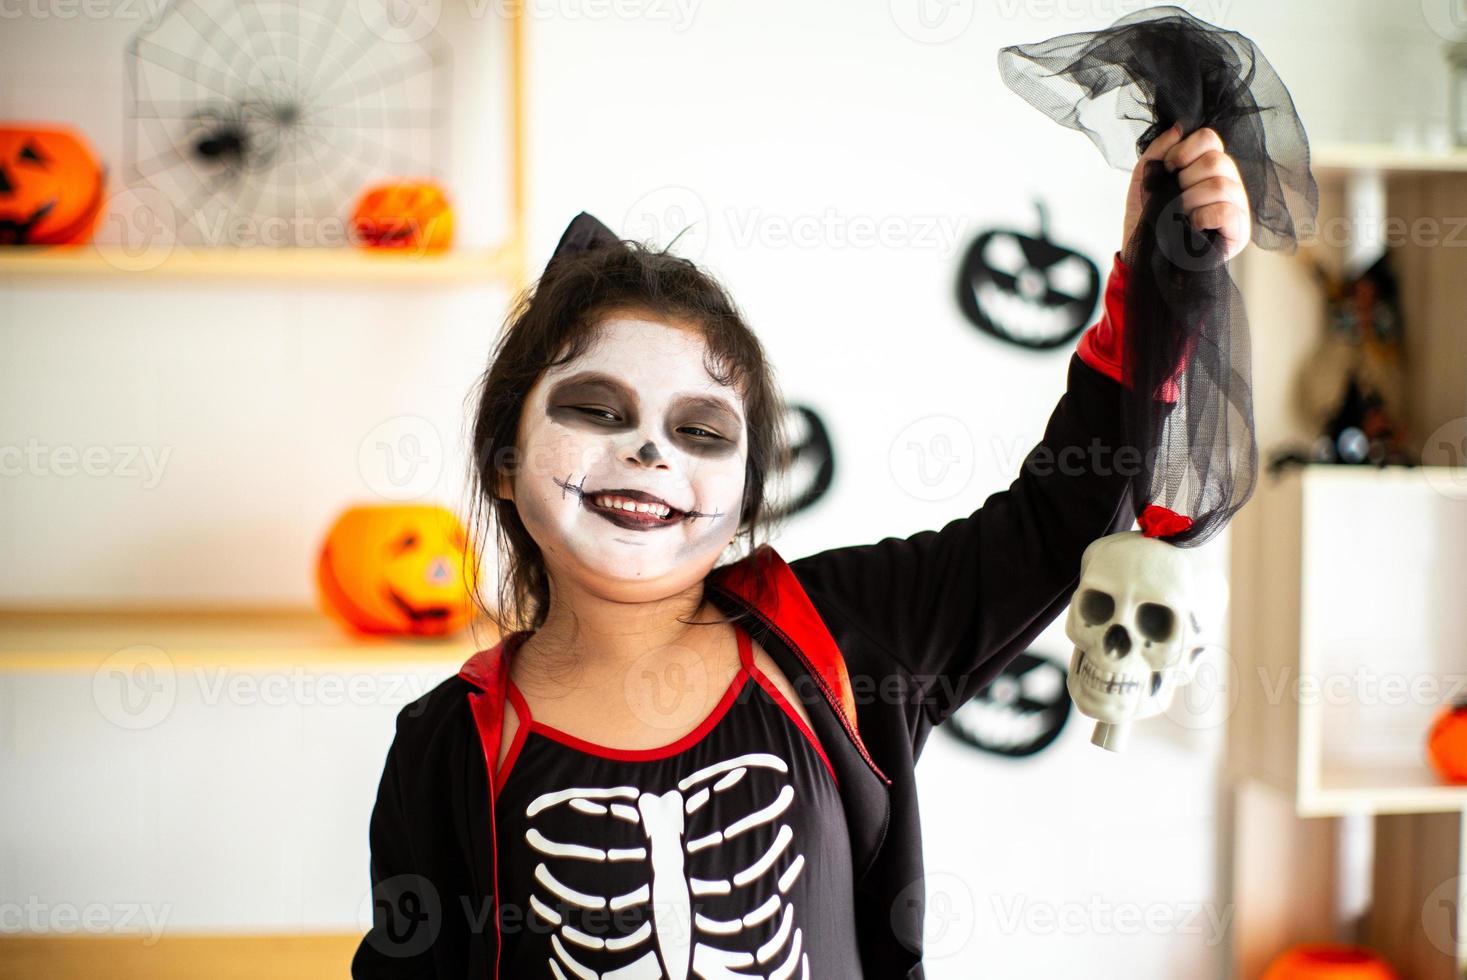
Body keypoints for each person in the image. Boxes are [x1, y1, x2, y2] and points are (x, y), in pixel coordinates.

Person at [351, 123, 1250, 979]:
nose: (650, 452)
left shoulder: (841, 638)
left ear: (743, 495)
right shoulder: (448, 743)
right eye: (596, 410)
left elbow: (1058, 520)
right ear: (503, 464)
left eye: (700, 428)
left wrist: (1163, 280)